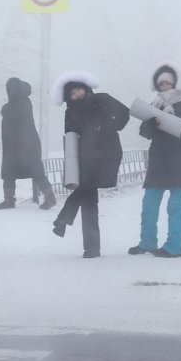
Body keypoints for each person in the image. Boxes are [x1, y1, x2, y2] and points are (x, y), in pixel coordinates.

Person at [50, 71, 130, 258]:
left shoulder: (102, 99)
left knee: (86, 191)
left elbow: (124, 113)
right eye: (72, 94)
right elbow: (70, 135)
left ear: (84, 88)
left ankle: (64, 218)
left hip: (107, 153)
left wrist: (109, 127)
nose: (76, 95)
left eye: (78, 90)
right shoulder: (70, 111)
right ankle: (91, 248)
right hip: (86, 156)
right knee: (88, 198)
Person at [128, 63, 181, 258]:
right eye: (161, 84)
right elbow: (144, 133)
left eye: (168, 83)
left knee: (176, 207)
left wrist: (172, 122)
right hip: (158, 161)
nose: (165, 87)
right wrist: (152, 124)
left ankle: (173, 247)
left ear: (175, 83)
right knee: (149, 206)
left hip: (180, 161)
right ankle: (147, 243)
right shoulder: (154, 105)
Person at [0, 77, 56, 210]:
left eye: (12, 89)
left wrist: (5, 109)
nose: (10, 92)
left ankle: (50, 197)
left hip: (27, 146)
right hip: (13, 147)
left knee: (36, 171)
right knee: (8, 172)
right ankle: (9, 200)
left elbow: (13, 114)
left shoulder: (23, 103)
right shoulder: (17, 104)